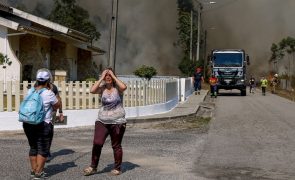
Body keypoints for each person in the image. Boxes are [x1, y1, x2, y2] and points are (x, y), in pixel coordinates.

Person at [84, 68, 127, 176]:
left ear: (113, 77)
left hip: (117, 121)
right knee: (97, 143)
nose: (108, 77)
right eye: (106, 76)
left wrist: (113, 75)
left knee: (116, 145)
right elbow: (92, 90)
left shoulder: (118, 88)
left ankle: (117, 168)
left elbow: (124, 87)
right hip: (102, 120)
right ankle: (93, 167)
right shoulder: (102, 88)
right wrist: (101, 78)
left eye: (110, 76)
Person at [22, 69, 61, 179]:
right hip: (43, 124)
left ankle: (34, 171)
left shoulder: (30, 91)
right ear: (48, 81)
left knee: (33, 147)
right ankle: (38, 173)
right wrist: (57, 95)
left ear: (37, 80)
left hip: (28, 123)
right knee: (43, 149)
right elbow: (57, 105)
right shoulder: (48, 93)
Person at [36, 69, 64, 162]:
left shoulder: (53, 87)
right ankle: (40, 152)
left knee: (49, 132)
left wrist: (60, 112)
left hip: (51, 113)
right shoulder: (36, 86)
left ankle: (46, 151)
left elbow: (58, 100)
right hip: (38, 113)